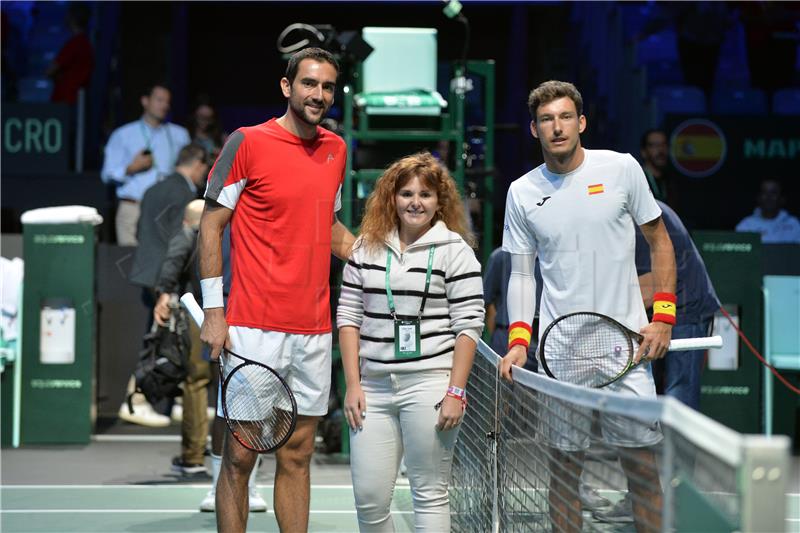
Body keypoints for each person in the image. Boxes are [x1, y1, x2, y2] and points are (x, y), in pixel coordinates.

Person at [499, 80, 677, 533]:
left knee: (641, 468)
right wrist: (520, 340)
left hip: (628, 349)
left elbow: (659, 240)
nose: (556, 128)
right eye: (546, 120)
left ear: (581, 123)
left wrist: (663, 318)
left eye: (564, 117)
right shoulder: (521, 193)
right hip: (561, 355)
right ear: (534, 129)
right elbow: (521, 273)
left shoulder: (621, 169)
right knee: (563, 472)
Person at [198, 47, 355, 532]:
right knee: (241, 457)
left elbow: (328, 229)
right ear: (287, 87)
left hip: (312, 330)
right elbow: (210, 225)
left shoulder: (336, 149)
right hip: (251, 328)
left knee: (299, 454)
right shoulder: (245, 142)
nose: (319, 95)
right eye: (309, 84)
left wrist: (387, 258)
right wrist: (213, 311)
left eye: (327, 87)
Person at [337, 152, 484, 531]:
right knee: (369, 500)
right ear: (392, 198)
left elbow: (469, 325)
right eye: (406, 193)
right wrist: (353, 384)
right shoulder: (364, 249)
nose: (415, 202)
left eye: (425, 194)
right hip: (373, 389)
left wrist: (456, 390)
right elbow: (349, 318)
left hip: (430, 386)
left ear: (440, 202)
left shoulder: (456, 250)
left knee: (430, 493)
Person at [119, 143, 209, 428]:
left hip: (150, 271)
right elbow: (178, 243)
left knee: (173, 337)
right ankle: (136, 400)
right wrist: (168, 286)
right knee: (163, 338)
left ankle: (182, 401)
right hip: (167, 276)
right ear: (197, 164)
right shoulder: (184, 193)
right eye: (203, 169)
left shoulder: (152, 189)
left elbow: (141, 232)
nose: (203, 174)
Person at [101, 83, 191, 245]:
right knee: (128, 263)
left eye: (167, 101)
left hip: (166, 209)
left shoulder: (179, 135)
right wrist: (131, 168)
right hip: (134, 207)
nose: (165, 105)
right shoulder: (123, 134)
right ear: (145, 101)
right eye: (159, 100)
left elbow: (190, 171)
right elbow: (107, 174)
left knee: (167, 264)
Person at [483, 246, 539, 371]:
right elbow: (488, 301)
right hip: (504, 337)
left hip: (544, 338)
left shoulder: (552, 256)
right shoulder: (498, 256)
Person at [46, 2, 93, 105]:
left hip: (67, 102)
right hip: (72, 101)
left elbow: (50, 71)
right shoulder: (85, 43)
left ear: (72, 18)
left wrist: (57, 76)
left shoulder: (76, 43)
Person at [735, 178, 800, 244]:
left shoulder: (794, 224)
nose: (769, 197)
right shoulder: (746, 225)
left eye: (773, 193)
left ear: (782, 198)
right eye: (764, 192)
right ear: (758, 197)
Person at [187, 95, 227, 160]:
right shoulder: (184, 134)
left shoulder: (221, 137)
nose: (204, 122)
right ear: (194, 115)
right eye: (201, 117)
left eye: (208, 119)